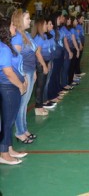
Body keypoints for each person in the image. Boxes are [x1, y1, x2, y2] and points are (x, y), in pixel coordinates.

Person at [12, 9, 47, 143]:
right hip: (24, 73)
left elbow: (35, 51)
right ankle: (20, 132)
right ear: (20, 21)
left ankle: (24, 129)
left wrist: (34, 73)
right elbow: (16, 60)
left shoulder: (26, 35)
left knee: (25, 104)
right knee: (21, 105)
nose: (30, 21)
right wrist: (23, 77)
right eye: (27, 18)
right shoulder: (16, 38)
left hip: (30, 72)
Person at [0, 18, 28, 165]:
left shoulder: (6, 45)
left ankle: (8, 149)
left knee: (9, 121)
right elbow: (9, 72)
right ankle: (4, 154)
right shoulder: (3, 48)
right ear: (5, 29)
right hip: (9, 87)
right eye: (11, 25)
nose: (14, 27)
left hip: (10, 86)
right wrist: (21, 85)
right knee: (7, 121)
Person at [32, 18, 54, 115]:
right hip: (40, 63)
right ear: (41, 26)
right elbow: (38, 53)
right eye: (45, 24)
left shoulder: (44, 36)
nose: (46, 26)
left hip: (45, 61)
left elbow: (47, 50)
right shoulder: (39, 37)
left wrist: (48, 63)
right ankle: (38, 107)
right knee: (40, 86)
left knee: (43, 84)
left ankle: (40, 105)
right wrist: (44, 65)